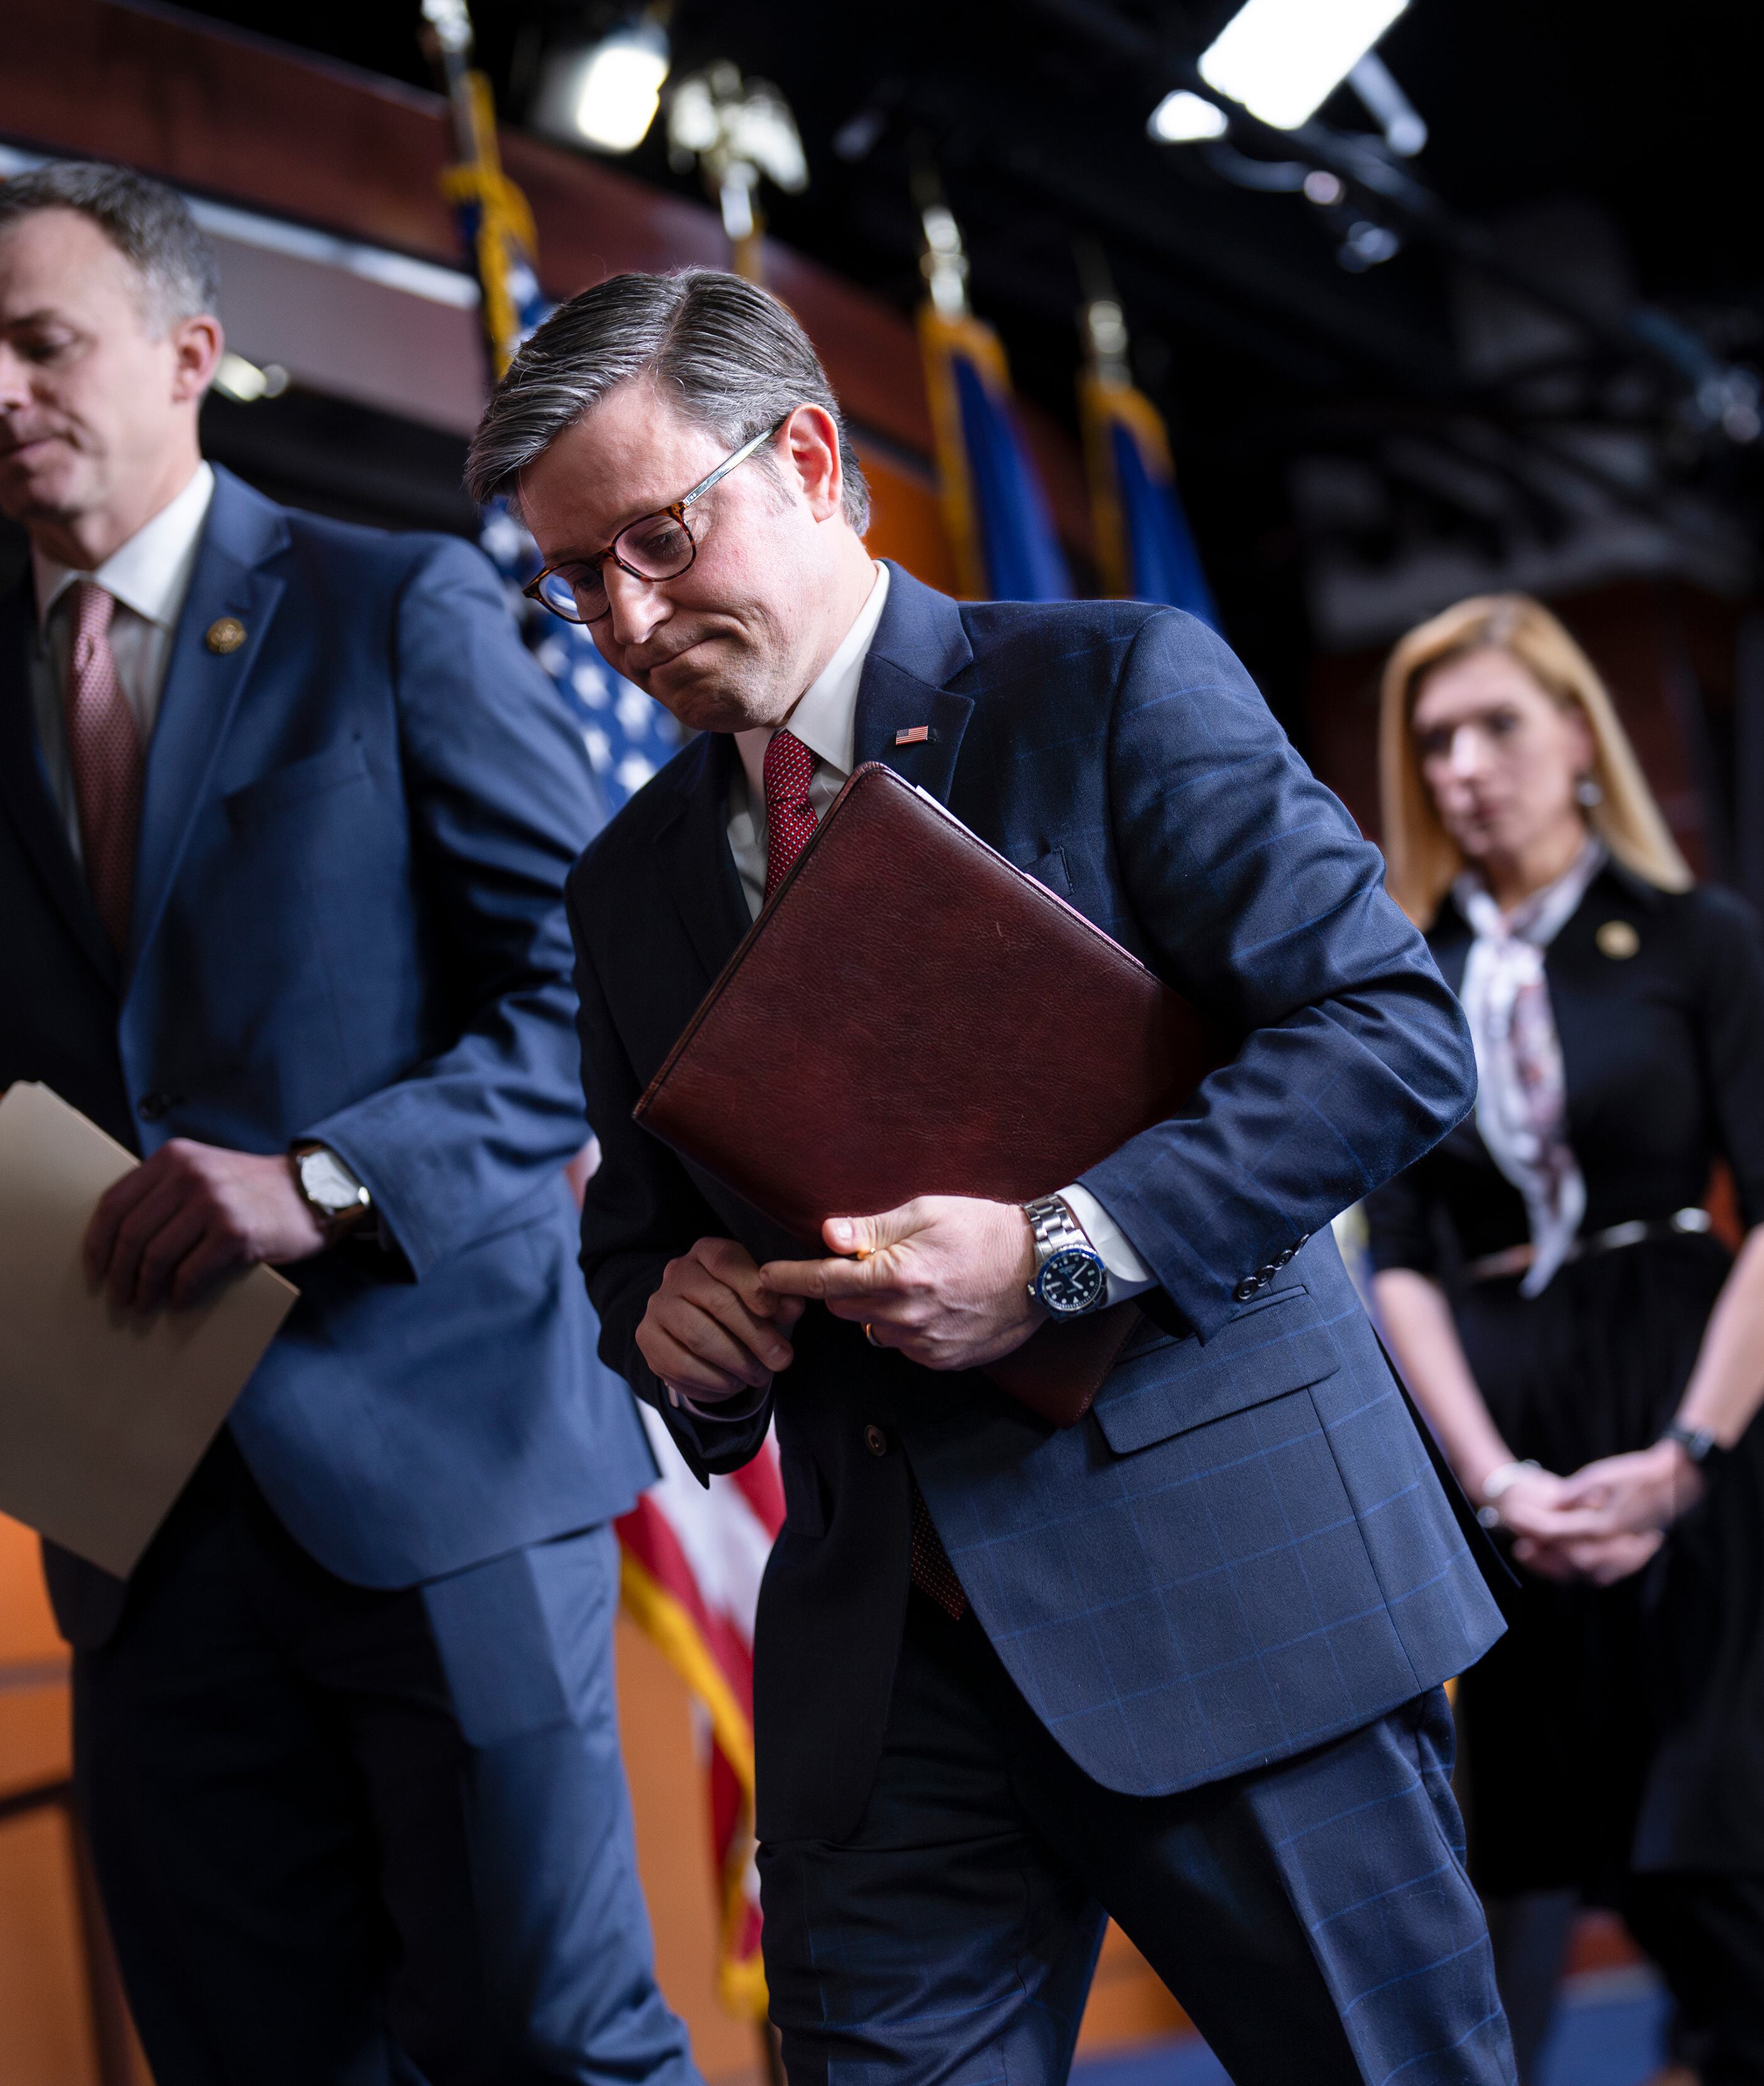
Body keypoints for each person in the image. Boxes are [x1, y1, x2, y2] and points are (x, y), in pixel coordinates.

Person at [474, 268, 1512, 2086]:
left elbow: (1386, 1033)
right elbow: (637, 1254)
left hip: (1232, 1599)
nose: (620, 620)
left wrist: (1061, 1247)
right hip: (882, 1689)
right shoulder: (622, 881)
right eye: (572, 578)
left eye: (652, 536)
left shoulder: (1110, 683)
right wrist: (676, 1326)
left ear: (803, 454)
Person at [0, 165, 695, 2086]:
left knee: (545, 2042)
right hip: (138, 1526)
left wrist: (328, 1181)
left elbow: (597, 998)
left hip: (448, 1477)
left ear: (189, 357)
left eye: (44, 341)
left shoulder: (401, 605)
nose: (0, 391)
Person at [1362, 595, 1764, 2086]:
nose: (1463, 765)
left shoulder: (1692, 937)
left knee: (1706, 1825)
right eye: (1435, 740)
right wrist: (1491, 1483)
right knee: (1609, 1843)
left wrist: (1686, 1456)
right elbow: (1395, 1265)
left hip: (1695, 1391)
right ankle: (1746, 2055)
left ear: (1580, 737)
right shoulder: (1396, 981)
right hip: (1509, 1424)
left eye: (1497, 726)